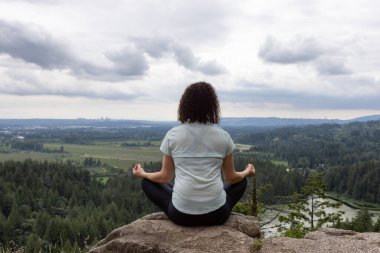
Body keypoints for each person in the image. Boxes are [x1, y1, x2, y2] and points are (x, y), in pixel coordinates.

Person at [132, 81, 255, 226]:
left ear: (184, 105)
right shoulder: (223, 136)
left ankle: (186, 201)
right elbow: (231, 178)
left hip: (181, 216)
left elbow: (164, 177)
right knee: (241, 182)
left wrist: (143, 174)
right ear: (212, 107)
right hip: (217, 215)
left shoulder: (172, 135)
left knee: (148, 183)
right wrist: (247, 172)